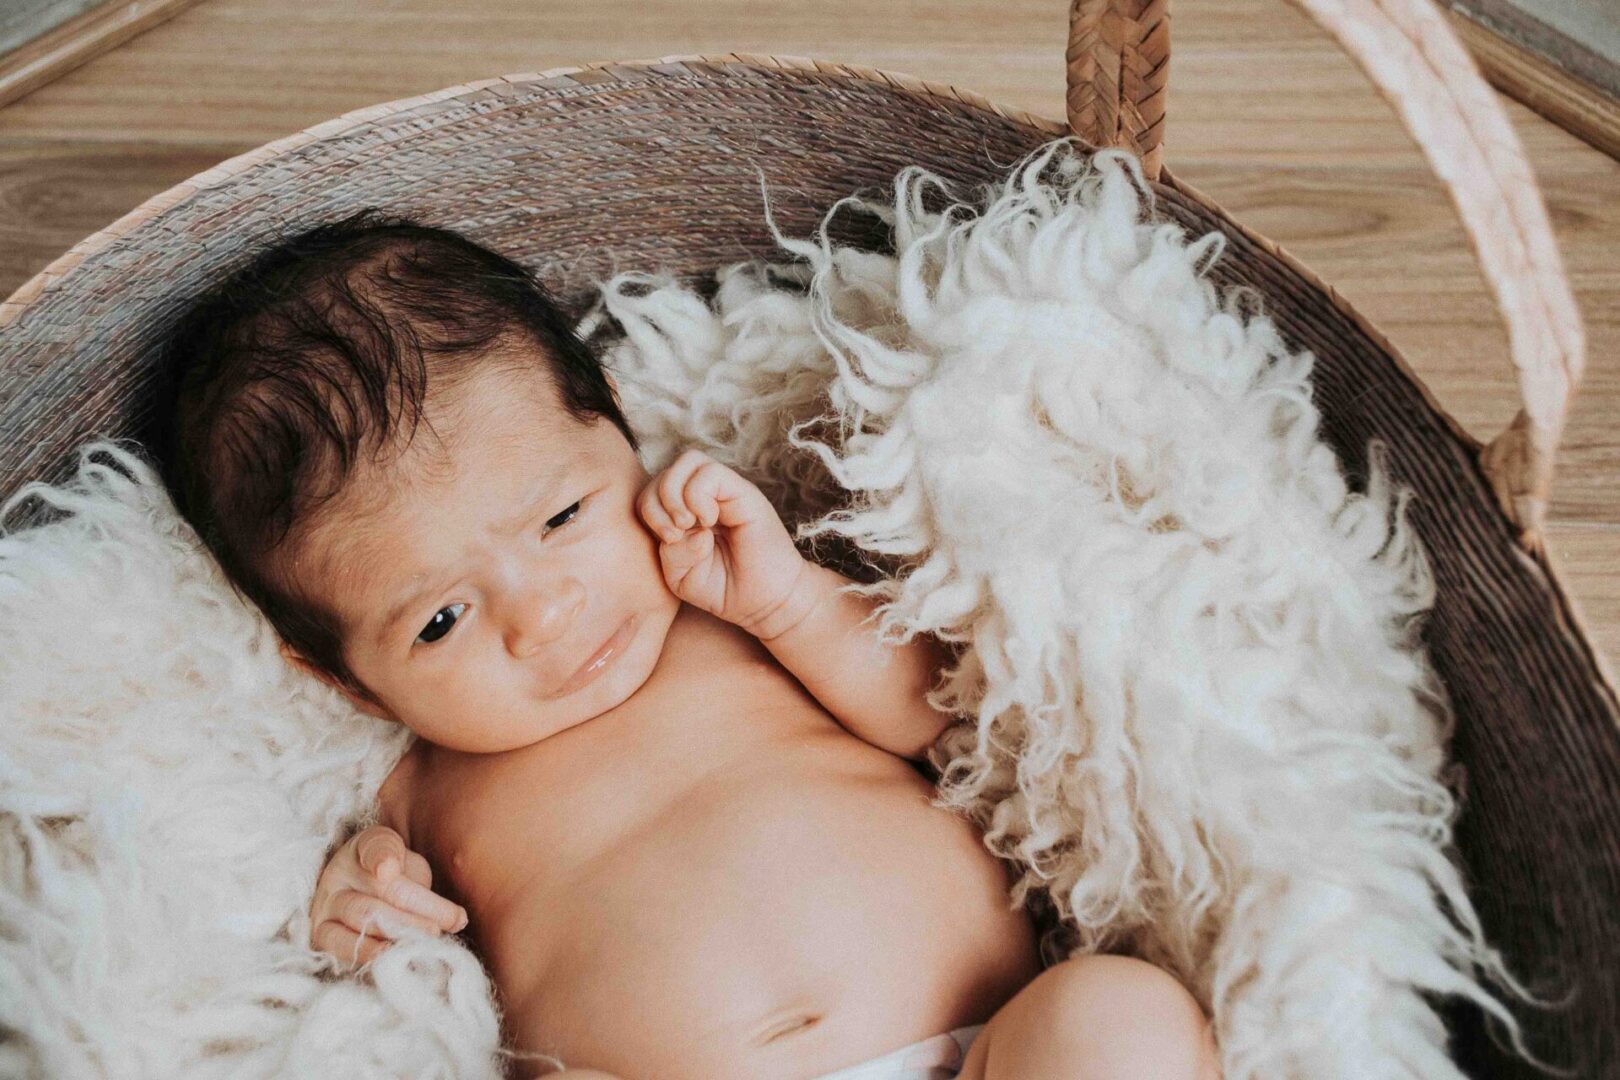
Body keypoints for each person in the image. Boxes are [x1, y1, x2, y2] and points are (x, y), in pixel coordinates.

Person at [160, 210, 1221, 1080]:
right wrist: (357, 903)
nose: (547, 615)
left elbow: (939, 715)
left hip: (989, 1047)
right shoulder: (413, 792)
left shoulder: (735, 609)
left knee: (1118, 1019)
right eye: (441, 620)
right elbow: (372, 969)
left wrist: (794, 607)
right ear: (337, 674)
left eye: (562, 520)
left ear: (616, 425)